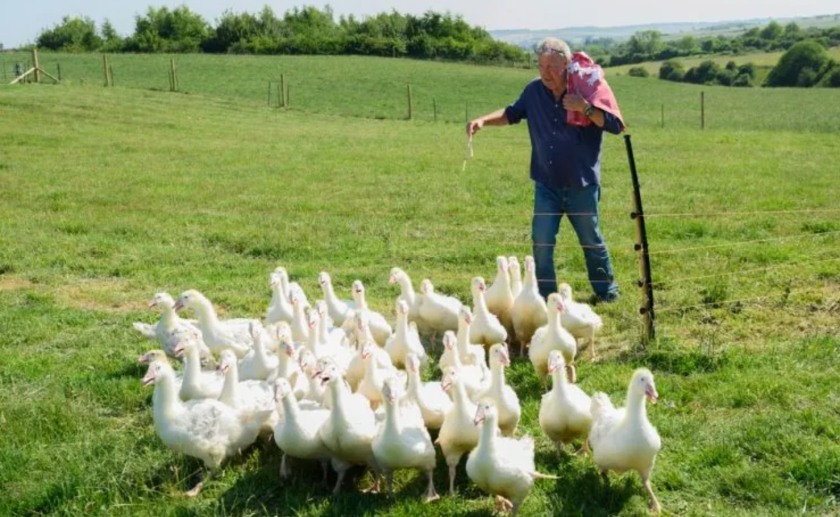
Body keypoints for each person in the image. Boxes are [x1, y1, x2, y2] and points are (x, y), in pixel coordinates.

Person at [466, 37, 624, 303]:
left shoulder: (585, 89)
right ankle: (545, 296)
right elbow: (512, 113)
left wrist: (584, 108)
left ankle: (607, 293)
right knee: (541, 242)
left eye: (552, 66)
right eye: (541, 66)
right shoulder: (534, 91)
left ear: (567, 64)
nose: (545, 73)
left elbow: (614, 124)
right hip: (546, 184)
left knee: (591, 240)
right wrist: (483, 121)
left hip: (581, 184)